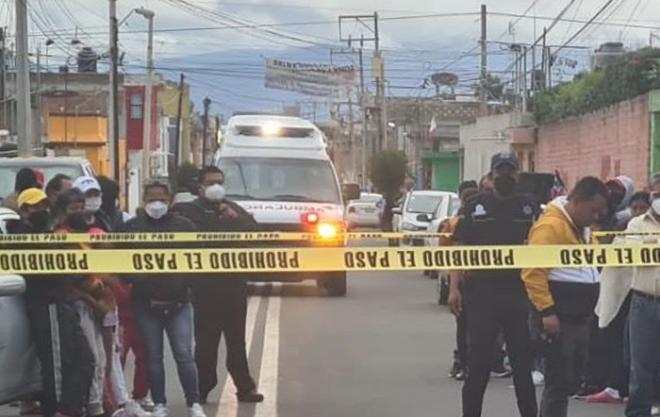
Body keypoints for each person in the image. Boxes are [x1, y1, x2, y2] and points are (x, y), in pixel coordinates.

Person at [448, 153, 538, 417]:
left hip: (518, 294)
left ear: (517, 175)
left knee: (522, 365)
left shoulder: (530, 207)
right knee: (479, 365)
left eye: (510, 172)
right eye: (501, 172)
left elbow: (544, 249)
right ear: (491, 175)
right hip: (482, 294)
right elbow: (458, 248)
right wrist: (454, 288)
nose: (505, 177)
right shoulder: (474, 206)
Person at [173, 166, 264, 404]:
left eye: (220, 182)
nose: (217, 187)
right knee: (206, 342)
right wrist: (215, 219)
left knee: (236, 340)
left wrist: (235, 219)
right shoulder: (187, 211)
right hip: (204, 287)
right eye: (211, 182)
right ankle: (201, 389)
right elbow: (184, 236)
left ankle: (245, 387)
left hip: (234, 285)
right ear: (200, 187)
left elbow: (255, 232)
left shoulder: (233, 209)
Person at [522, 177, 608, 417]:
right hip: (559, 317)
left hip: (578, 316)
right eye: (594, 210)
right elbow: (533, 272)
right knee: (558, 383)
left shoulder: (580, 227)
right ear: (577, 201)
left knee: (569, 380)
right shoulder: (550, 227)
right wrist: (547, 312)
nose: (597, 216)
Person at [119, 182, 206, 417]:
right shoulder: (130, 228)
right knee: (153, 356)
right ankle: (160, 403)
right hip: (146, 304)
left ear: (169, 201)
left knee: (184, 354)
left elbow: (199, 260)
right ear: (144, 201)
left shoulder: (185, 227)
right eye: (151, 199)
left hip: (179, 302)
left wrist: (185, 285)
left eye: (161, 199)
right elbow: (119, 265)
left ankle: (193, 403)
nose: (157, 203)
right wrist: (139, 276)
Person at [17, 188, 95, 417]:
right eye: (35, 206)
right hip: (47, 302)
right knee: (60, 362)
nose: (41, 210)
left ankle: (72, 408)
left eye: (43, 205)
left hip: (64, 300)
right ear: (24, 210)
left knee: (85, 360)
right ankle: (58, 409)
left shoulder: (49, 232)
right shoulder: (20, 233)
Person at [588, 190, 650, 404]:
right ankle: (617, 388)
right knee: (621, 345)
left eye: (643, 208)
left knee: (641, 352)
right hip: (623, 297)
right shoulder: (626, 230)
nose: (638, 212)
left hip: (643, 296)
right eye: (635, 208)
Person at [623, 179, 660, 417]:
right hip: (644, 301)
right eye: (657, 194)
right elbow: (635, 255)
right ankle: (639, 412)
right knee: (641, 364)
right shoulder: (636, 223)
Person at [444, 180, 479, 381]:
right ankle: (466, 362)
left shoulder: (457, 221)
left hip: (470, 280)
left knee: (465, 326)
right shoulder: (457, 222)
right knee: (467, 325)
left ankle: (466, 363)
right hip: (469, 280)